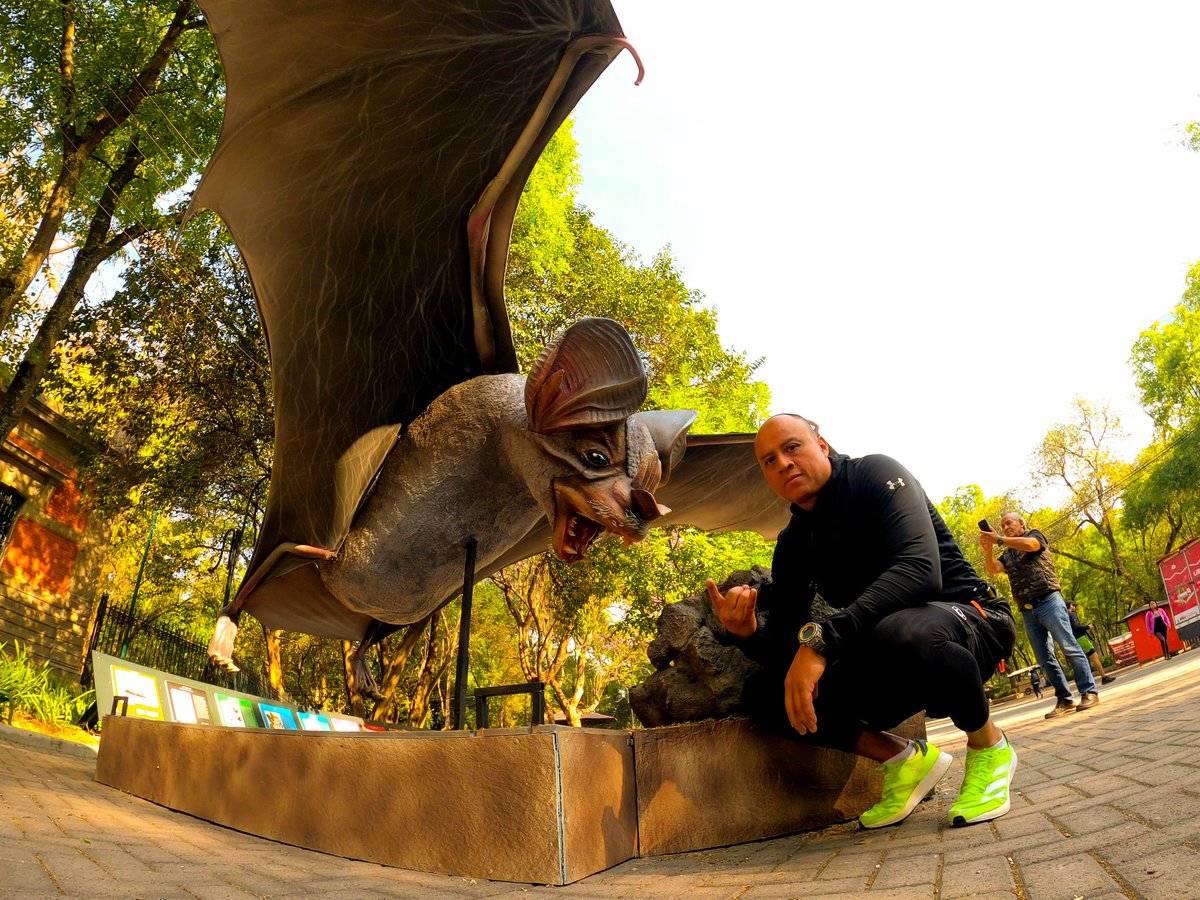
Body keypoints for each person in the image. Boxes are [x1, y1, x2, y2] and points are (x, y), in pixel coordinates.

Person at [705, 415, 1018, 830]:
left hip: (970, 620)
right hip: (887, 651)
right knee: (764, 694)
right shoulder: (794, 543)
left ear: (822, 444)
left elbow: (921, 569)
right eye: (769, 460)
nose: (782, 463)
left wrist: (822, 642)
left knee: (904, 630)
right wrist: (746, 634)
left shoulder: (876, 475)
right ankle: (905, 762)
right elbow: (786, 643)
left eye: (792, 447)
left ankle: (989, 746)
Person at [980, 513, 1099, 718]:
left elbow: (1031, 545)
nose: (1005, 527)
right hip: (1027, 610)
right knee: (1045, 659)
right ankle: (1065, 699)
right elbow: (993, 569)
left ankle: (1089, 691)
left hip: (1049, 600)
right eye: (1002, 525)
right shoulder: (1007, 554)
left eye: (1009, 523)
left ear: (1021, 523)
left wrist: (999, 539)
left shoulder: (1034, 535)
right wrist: (988, 549)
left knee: (1069, 646)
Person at [1066, 600, 1116, 684]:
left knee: (1082, 661)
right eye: (1074, 605)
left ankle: (1085, 682)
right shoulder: (1071, 614)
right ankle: (1104, 677)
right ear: (1071, 605)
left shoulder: (1065, 616)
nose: (1075, 607)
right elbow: (1076, 627)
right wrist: (1087, 627)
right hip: (1081, 638)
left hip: (1074, 639)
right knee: (1095, 657)